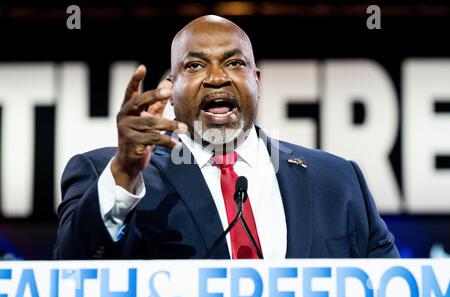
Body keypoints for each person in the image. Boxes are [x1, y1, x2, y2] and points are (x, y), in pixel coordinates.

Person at [54, 15, 399, 259]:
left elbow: (391, 286)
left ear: (257, 82)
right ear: (171, 91)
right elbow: (73, 273)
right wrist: (125, 174)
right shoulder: (105, 174)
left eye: (234, 63)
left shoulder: (338, 181)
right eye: (194, 66)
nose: (217, 77)